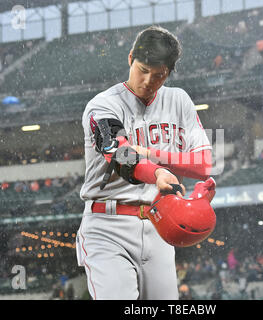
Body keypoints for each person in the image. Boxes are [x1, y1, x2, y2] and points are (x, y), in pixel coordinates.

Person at [76, 25, 213, 300]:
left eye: (158, 74)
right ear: (130, 59)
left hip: (159, 226)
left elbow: (204, 163)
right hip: (107, 224)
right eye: (142, 69)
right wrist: (158, 173)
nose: (149, 80)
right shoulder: (102, 104)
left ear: (169, 73)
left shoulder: (179, 99)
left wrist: (154, 156)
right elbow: (118, 154)